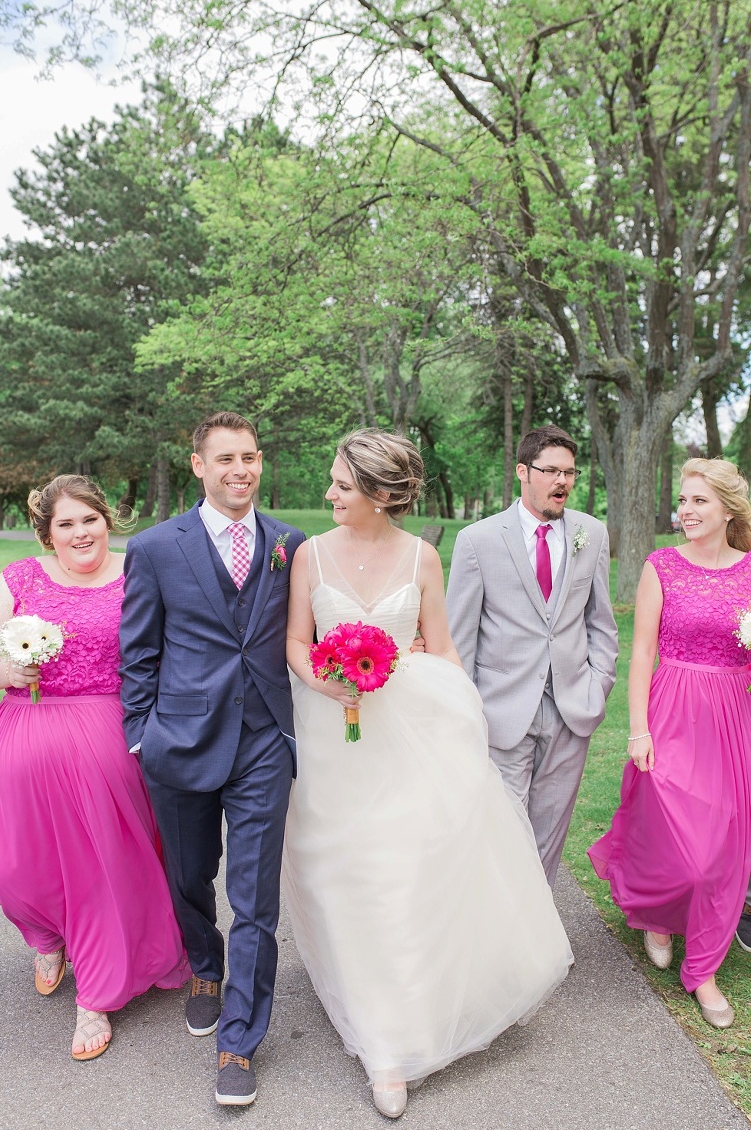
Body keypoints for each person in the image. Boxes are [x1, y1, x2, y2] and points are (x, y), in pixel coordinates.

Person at [284, 429, 573, 1120]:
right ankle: (364, 996)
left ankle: (393, 1046)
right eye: (333, 481)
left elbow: (441, 647)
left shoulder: (421, 557)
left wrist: (459, 725)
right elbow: (297, 640)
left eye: (342, 486)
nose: (329, 494)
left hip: (413, 732)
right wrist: (327, 685)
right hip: (334, 736)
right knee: (344, 875)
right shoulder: (309, 555)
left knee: (402, 876)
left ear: (381, 496)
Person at [119, 412, 305, 1107]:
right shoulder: (156, 547)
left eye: (250, 456)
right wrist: (142, 736)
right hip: (180, 740)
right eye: (225, 457)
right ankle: (204, 962)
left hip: (262, 741)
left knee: (255, 900)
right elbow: (137, 652)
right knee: (192, 874)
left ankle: (240, 1038)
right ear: (198, 465)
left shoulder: (291, 543)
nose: (240, 469)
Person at [0, 475, 189, 1061]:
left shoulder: (139, 568)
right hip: (24, 731)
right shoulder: (20, 579)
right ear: (47, 534)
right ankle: (47, 935)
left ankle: (95, 995)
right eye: (65, 524)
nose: (80, 533)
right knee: (8, 867)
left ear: (108, 518)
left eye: (89, 519)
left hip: (106, 734)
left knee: (99, 870)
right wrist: (8, 672)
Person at [588, 457, 751, 1029]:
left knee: (719, 852)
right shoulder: (662, 567)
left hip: (732, 717)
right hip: (671, 710)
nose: (685, 511)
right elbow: (640, 655)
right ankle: (659, 915)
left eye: (699, 501)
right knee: (673, 834)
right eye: (682, 501)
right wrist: (638, 728)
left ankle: (702, 970)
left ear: (728, 508)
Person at [446, 425, 618, 887]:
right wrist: (468, 711)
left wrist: (597, 685)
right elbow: (458, 639)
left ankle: (535, 934)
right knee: (501, 828)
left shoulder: (592, 534)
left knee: (549, 832)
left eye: (569, 473)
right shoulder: (478, 541)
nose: (561, 481)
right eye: (550, 471)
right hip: (501, 709)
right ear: (523, 472)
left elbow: (601, 622)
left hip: (571, 707)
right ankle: (496, 932)